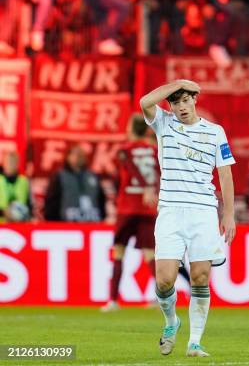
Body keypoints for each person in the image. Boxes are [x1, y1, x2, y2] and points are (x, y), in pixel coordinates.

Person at [140, 79, 236, 357]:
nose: (181, 107)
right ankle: (171, 321)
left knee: (200, 276)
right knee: (164, 280)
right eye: (175, 101)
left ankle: (194, 341)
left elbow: (226, 174)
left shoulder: (215, 132)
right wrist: (179, 83)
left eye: (185, 100)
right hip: (170, 210)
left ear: (195, 100)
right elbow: (144, 102)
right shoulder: (164, 124)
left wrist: (227, 214)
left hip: (203, 212)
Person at [100, 115, 160, 313]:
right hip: (148, 207)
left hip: (127, 206)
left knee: (119, 252)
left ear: (132, 128)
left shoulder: (124, 150)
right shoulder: (154, 150)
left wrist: (144, 187)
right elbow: (161, 173)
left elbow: (130, 167)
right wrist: (153, 189)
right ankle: (162, 297)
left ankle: (113, 301)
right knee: (150, 254)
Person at [44, 145, 107, 222]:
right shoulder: (60, 176)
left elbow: (101, 199)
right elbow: (52, 200)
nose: (78, 157)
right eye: (75, 154)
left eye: (81, 154)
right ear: (68, 157)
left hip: (92, 222)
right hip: (66, 223)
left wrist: (102, 216)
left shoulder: (93, 176)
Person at [0, 152, 31, 223]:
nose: (10, 165)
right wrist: (4, 212)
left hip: (19, 224)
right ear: (4, 163)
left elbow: (29, 204)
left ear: (17, 164)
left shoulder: (23, 181)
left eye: (13, 163)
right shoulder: (1, 180)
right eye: (8, 162)